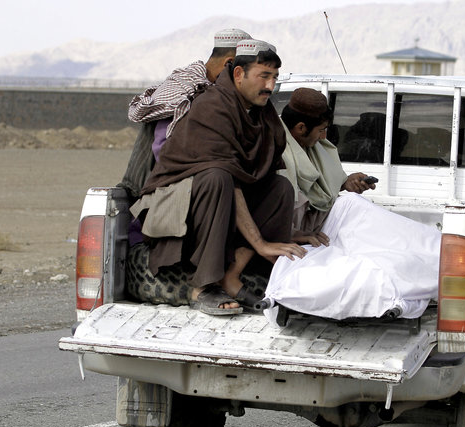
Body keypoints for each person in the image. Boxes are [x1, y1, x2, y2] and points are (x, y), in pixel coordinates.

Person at [130, 39, 306, 315]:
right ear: (238, 74)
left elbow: (263, 168)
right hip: (176, 207)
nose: (271, 86)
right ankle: (204, 285)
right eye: (264, 76)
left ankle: (231, 277)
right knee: (218, 177)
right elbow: (227, 175)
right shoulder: (212, 106)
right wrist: (259, 242)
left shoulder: (261, 111)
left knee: (280, 187)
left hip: (223, 198)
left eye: (274, 78)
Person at [118, 28, 252, 199]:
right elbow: (165, 150)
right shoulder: (185, 91)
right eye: (240, 72)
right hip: (163, 189)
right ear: (229, 63)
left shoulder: (212, 91)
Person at [278, 87, 376, 247]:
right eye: (321, 130)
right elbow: (279, 209)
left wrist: (345, 183)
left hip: (318, 224)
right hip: (294, 235)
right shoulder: (276, 150)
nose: (324, 136)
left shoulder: (311, 144)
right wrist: (293, 235)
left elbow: (321, 185)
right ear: (301, 128)